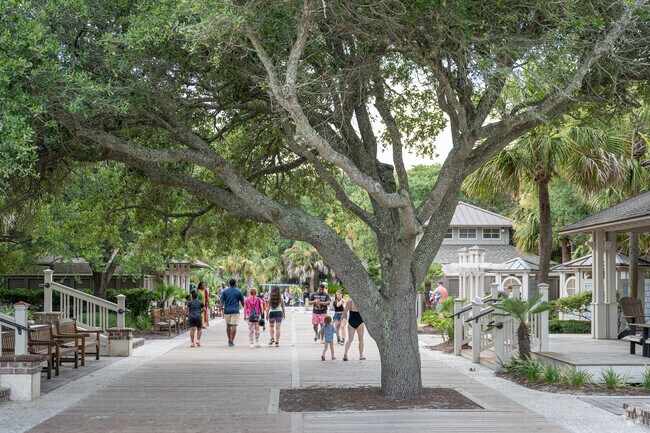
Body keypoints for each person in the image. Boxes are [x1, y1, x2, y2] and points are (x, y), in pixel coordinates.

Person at [220, 278, 245, 347]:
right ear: (235, 283)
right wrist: (246, 310)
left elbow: (221, 301)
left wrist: (219, 310)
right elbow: (243, 302)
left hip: (227, 311)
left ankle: (229, 339)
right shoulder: (239, 292)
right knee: (234, 325)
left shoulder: (225, 292)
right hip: (235, 311)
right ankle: (231, 341)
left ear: (229, 284)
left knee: (228, 325)